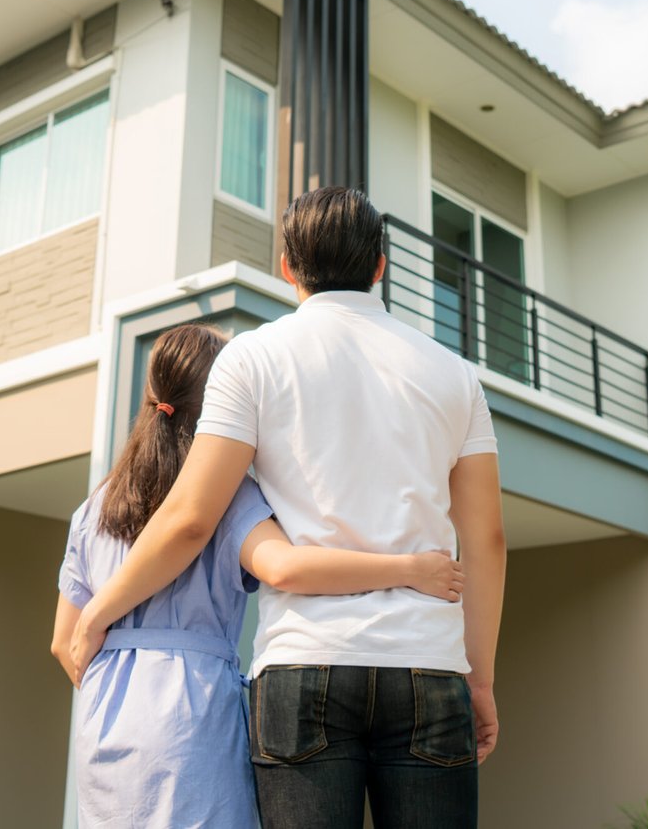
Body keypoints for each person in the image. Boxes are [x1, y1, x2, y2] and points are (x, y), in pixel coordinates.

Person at [66, 186, 507, 829]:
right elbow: (487, 539)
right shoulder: (455, 374)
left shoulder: (253, 357)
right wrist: (480, 680)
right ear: (381, 265)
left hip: (305, 666)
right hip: (428, 663)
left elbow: (191, 517)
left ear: (286, 267)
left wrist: (100, 611)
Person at [50, 322, 466, 829]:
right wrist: (410, 569)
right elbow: (285, 567)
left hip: (106, 711)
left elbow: (62, 642)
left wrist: (117, 678)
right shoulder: (225, 495)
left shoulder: (94, 507)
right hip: (192, 712)